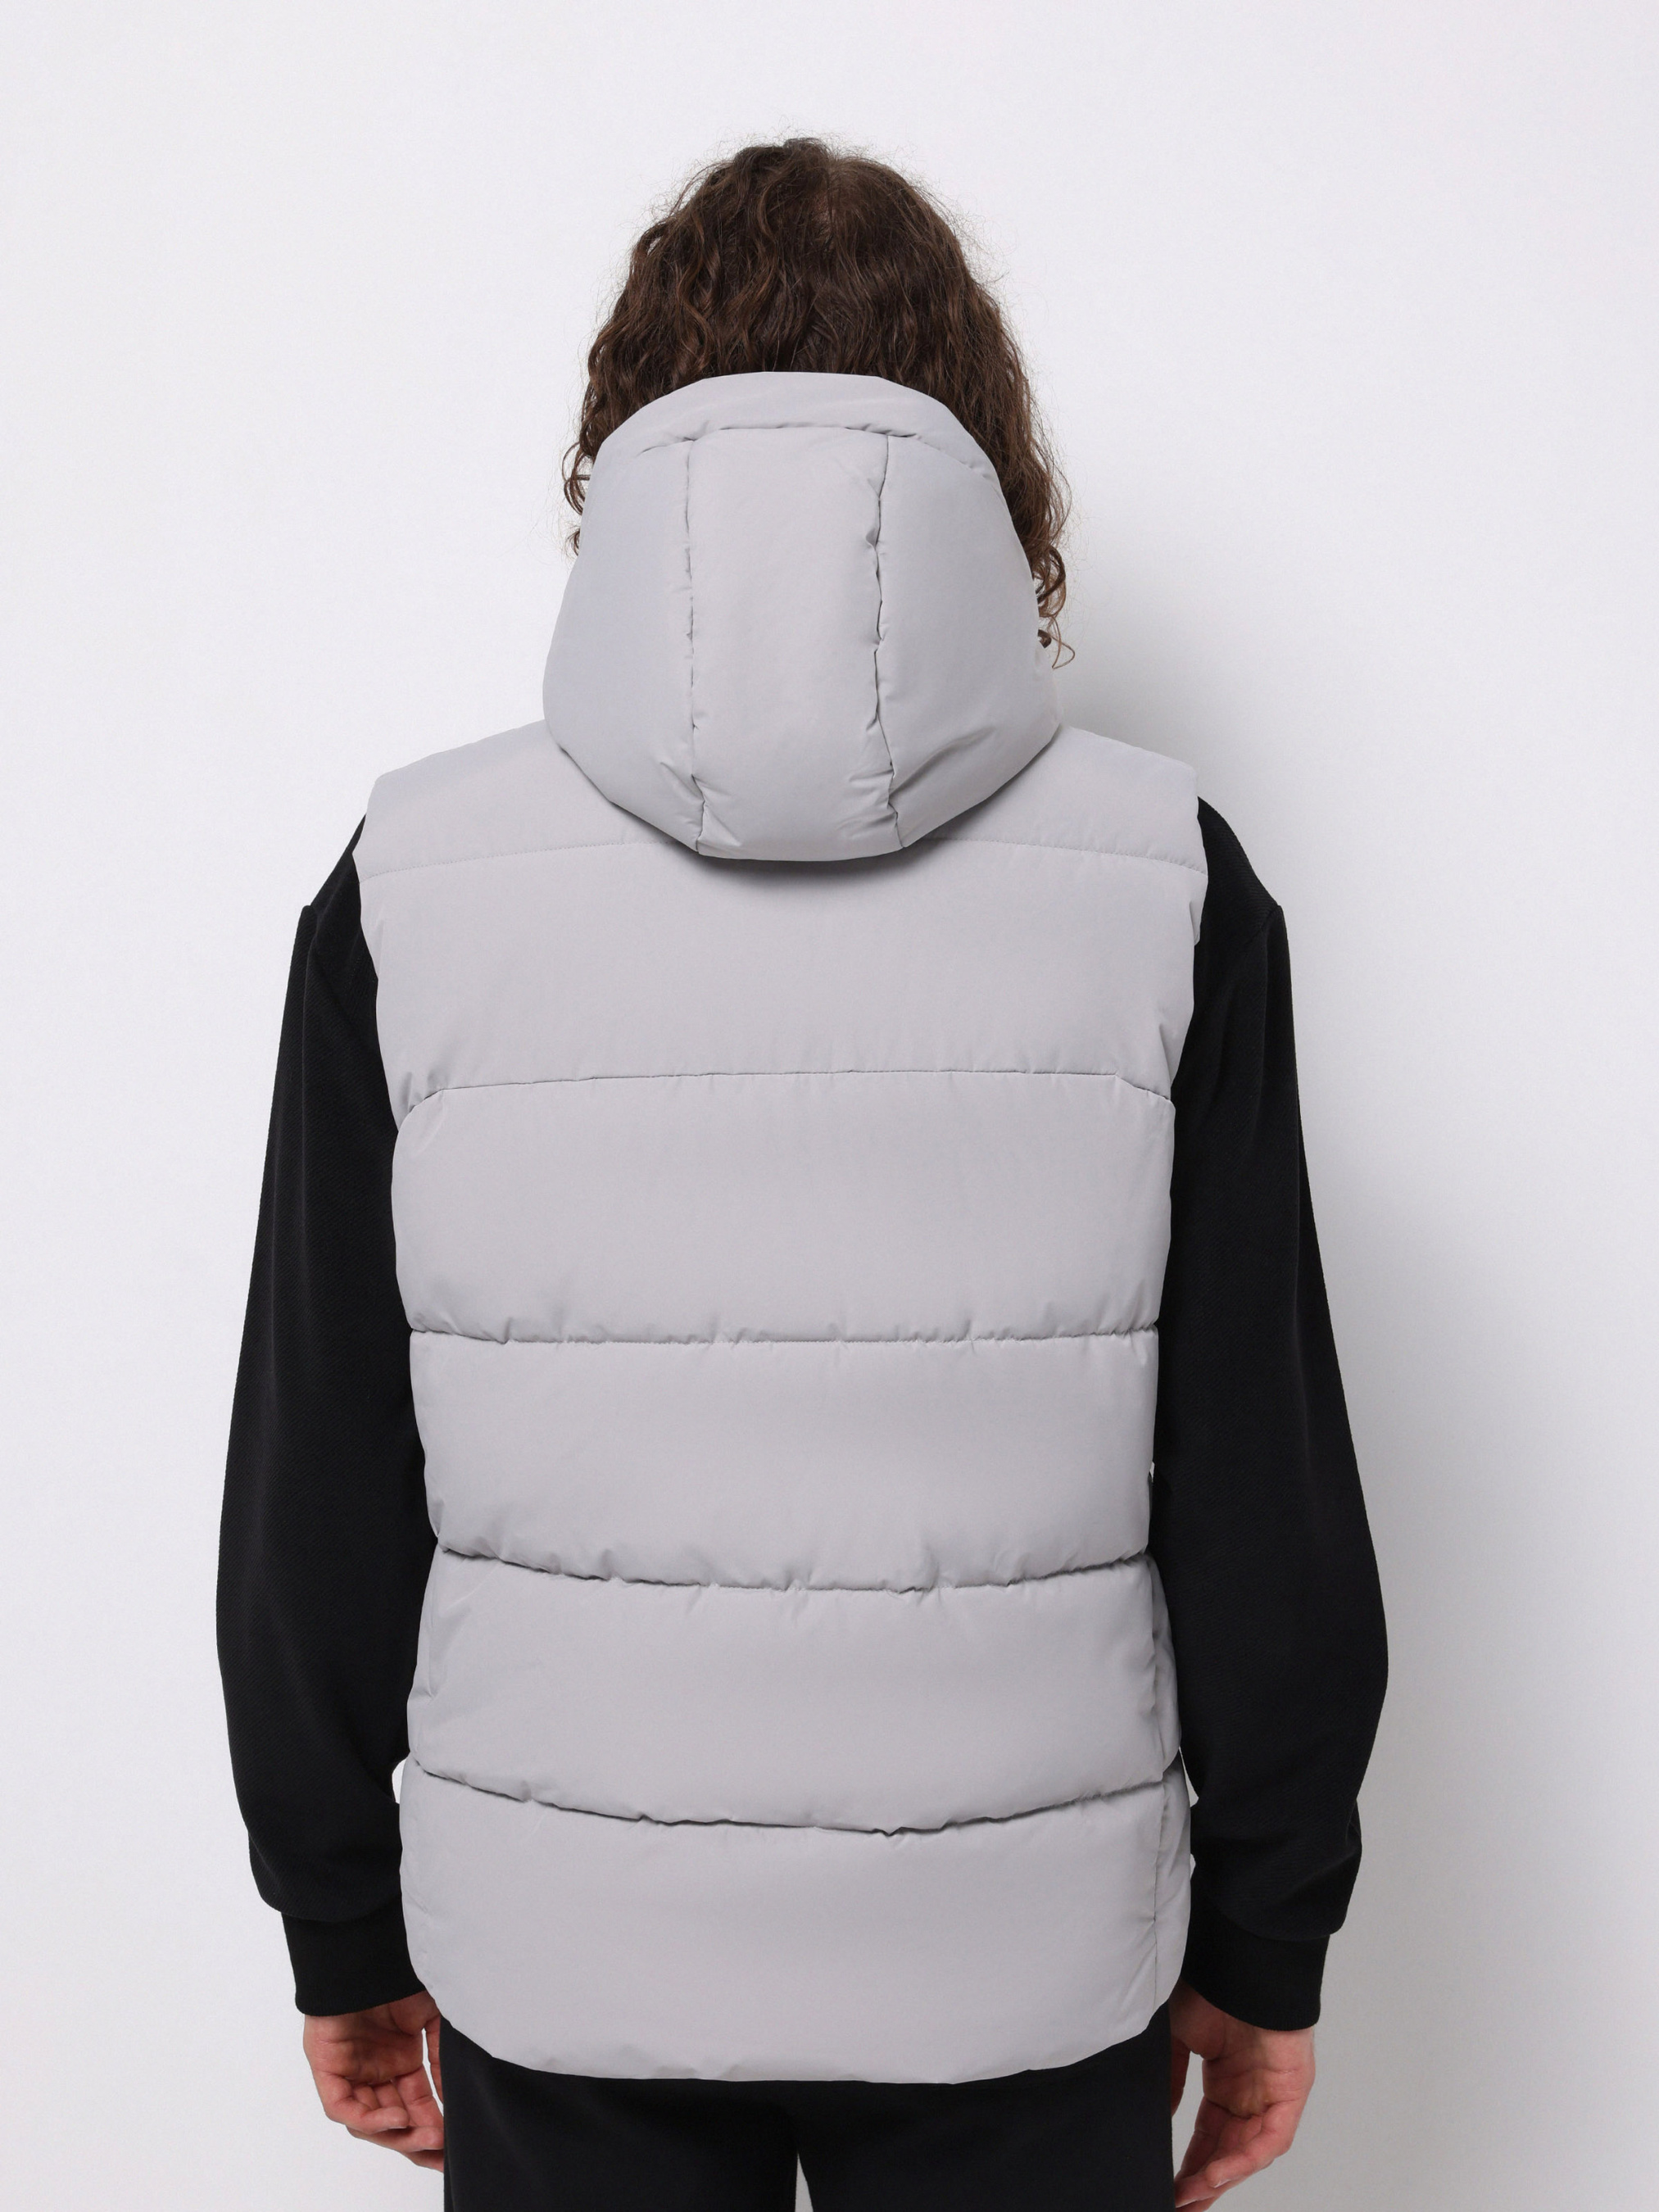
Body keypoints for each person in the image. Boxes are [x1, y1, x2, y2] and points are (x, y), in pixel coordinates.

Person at [218, 138, 1386, 2211]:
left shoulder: (410, 886)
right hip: (1020, 1973)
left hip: (567, 1961)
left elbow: (316, 1466)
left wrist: (339, 1918)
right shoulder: (1164, 882)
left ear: (621, 455)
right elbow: (1256, 1471)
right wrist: (1265, 1934)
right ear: (985, 467)